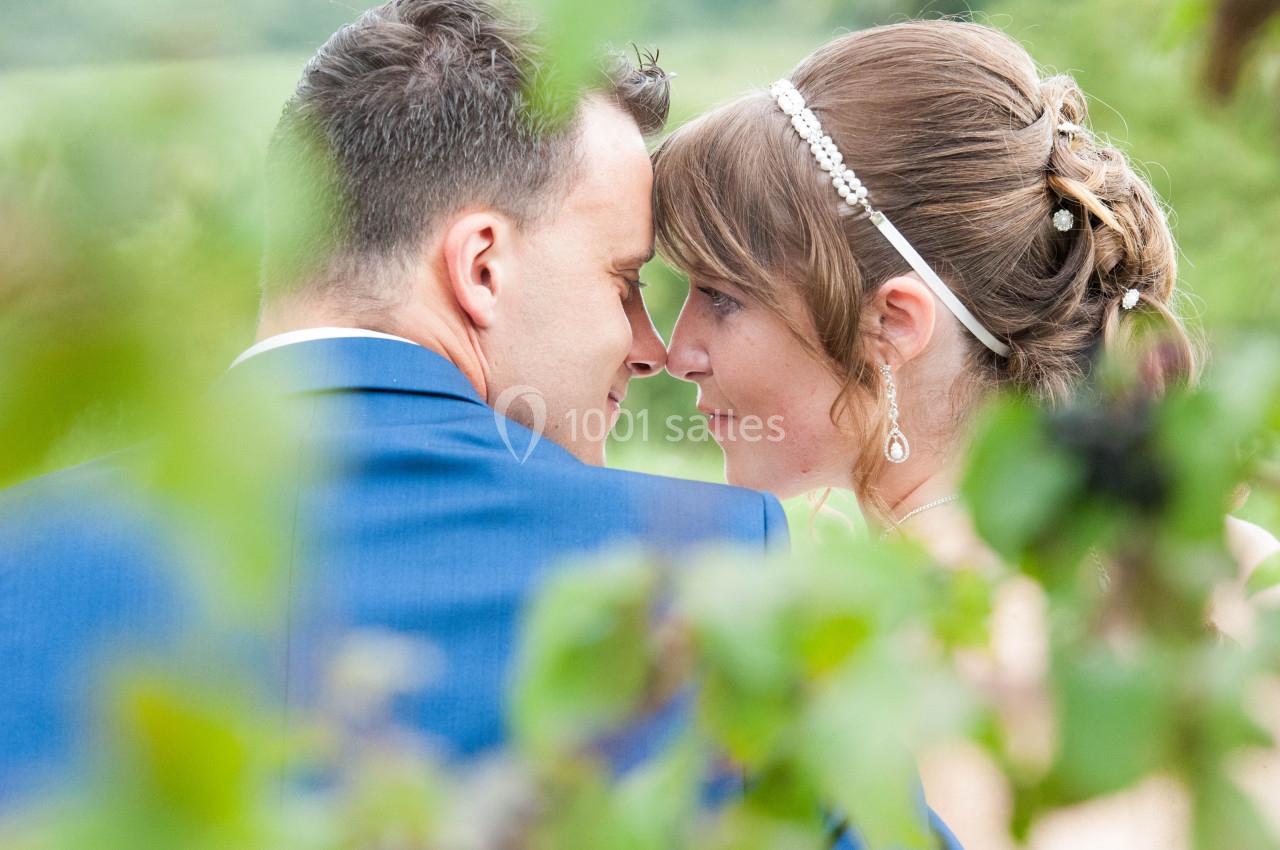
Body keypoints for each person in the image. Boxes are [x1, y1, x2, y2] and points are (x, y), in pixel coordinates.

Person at [0, 0, 788, 805]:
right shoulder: (705, 575)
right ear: (481, 267)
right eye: (623, 283)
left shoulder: (16, 556)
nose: (650, 348)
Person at [651, 18, 1279, 847]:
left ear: (892, 324)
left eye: (722, 297)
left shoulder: (867, 659)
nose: (674, 350)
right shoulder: (1240, 578)